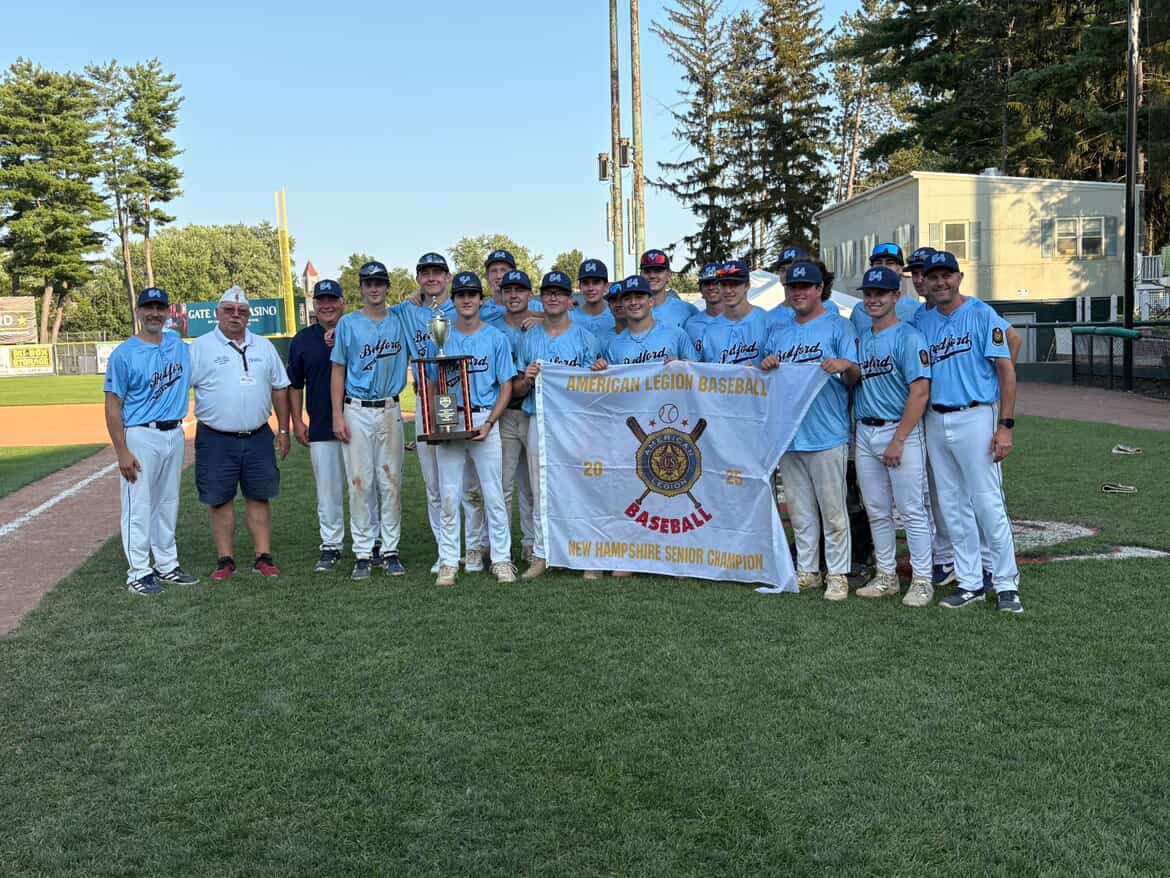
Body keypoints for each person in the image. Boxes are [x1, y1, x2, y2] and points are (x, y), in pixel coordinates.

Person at [916, 251, 1022, 613]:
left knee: (988, 502)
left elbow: (1007, 369)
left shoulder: (980, 314)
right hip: (935, 418)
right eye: (934, 277)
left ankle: (1007, 584)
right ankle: (971, 582)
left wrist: (1004, 426)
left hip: (976, 414)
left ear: (959, 278)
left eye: (947, 276)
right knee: (952, 506)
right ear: (925, 283)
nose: (941, 282)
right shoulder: (923, 322)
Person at [759, 261, 859, 600]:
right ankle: (808, 571)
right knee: (800, 513)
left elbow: (856, 375)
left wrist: (846, 365)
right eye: (793, 288)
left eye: (806, 287)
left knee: (833, 512)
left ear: (820, 290)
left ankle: (839, 574)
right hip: (790, 434)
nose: (798, 293)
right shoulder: (779, 332)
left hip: (827, 431)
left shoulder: (838, 327)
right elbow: (762, 377)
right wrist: (767, 366)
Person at [189, 286, 291, 581]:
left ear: (249, 316)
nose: (236, 316)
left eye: (242, 312)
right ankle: (225, 559)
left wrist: (283, 430)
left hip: (258, 434)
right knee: (220, 499)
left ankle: (263, 556)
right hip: (215, 436)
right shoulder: (200, 347)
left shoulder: (263, 346)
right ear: (217, 313)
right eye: (229, 311)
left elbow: (279, 388)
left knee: (259, 496)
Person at [426, 271, 518, 587]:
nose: (466, 300)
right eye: (460, 295)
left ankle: (502, 559)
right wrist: (439, 423)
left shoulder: (495, 338)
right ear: (453, 301)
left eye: (472, 294)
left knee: (493, 495)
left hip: (483, 419)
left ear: (481, 299)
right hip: (451, 421)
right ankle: (450, 561)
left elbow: (506, 385)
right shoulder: (441, 337)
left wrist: (491, 421)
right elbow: (432, 385)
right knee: (450, 495)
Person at [850, 267, 934, 607]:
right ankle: (886, 575)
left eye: (880, 294)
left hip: (899, 430)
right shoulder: (864, 337)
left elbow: (920, 393)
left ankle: (923, 579)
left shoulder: (908, 336)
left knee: (912, 510)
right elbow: (857, 380)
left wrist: (899, 439)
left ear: (896, 297)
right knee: (877, 510)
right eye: (869, 294)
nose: (873, 300)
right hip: (866, 429)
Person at [104, 286, 196, 595]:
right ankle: (139, 572)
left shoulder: (177, 344)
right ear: (139, 312)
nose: (154, 313)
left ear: (169, 312)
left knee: (167, 503)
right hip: (141, 434)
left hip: (174, 433)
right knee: (138, 505)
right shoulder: (124, 354)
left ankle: (167, 564)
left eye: (160, 307)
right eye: (149, 308)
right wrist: (122, 451)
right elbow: (112, 404)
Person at [512, 271, 601, 580]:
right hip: (539, 417)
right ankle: (542, 553)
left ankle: (588, 554)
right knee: (541, 488)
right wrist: (528, 379)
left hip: (576, 421)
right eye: (547, 292)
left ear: (568, 299)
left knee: (581, 486)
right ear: (542, 297)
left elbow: (596, 389)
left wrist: (599, 370)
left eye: (558, 292)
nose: (552, 297)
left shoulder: (585, 338)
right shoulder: (529, 338)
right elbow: (518, 389)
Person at [330, 260, 411, 581]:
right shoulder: (349, 324)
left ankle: (390, 549)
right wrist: (337, 414)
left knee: (391, 482)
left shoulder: (400, 320)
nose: (374, 288)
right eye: (368, 283)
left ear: (388, 287)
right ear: (361, 288)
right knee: (360, 482)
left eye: (379, 283)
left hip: (390, 408)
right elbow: (338, 369)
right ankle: (363, 552)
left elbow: (421, 300)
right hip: (357, 408)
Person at [289, 278, 363, 572]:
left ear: (343, 302)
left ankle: (370, 541)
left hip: (359, 420)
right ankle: (331, 545)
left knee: (363, 486)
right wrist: (297, 421)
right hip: (320, 423)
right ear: (315, 305)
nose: (327, 305)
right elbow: (294, 384)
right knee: (328, 490)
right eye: (322, 300)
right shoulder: (303, 339)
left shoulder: (358, 330)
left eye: (333, 299)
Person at [494, 269, 537, 562]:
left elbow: (565, 316)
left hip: (533, 411)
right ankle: (500, 546)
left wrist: (543, 317)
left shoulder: (539, 325)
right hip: (503, 413)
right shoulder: (491, 326)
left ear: (529, 295)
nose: (513, 295)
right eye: (508, 290)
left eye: (519, 290)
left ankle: (532, 543)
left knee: (532, 484)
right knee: (502, 484)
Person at [596, 275, 697, 367]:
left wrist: (685, 365)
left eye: (639, 297)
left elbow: (698, 373)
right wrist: (600, 370)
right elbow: (611, 383)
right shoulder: (614, 345)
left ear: (651, 302)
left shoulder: (676, 334)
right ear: (622, 304)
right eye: (627, 298)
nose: (633, 302)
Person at [698, 260, 776, 366]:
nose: (728, 290)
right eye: (724, 285)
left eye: (734, 284)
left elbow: (779, 368)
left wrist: (769, 365)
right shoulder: (710, 329)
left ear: (747, 286)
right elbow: (705, 372)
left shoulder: (767, 321)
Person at [849, 243, 923, 334]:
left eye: (890, 263)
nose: (883, 267)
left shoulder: (916, 310)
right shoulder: (859, 311)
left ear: (900, 269)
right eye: (878, 263)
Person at [639, 249, 698, 328]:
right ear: (640, 275)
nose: (652, 276)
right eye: (647, 271)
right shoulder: (629, 311)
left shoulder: (688, 311)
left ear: (669, 276)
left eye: (658, 271)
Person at [570, 259, 616, 339]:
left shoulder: (617, 316)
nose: (590, 288)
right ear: (580, 287)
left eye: (596, 282)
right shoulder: (570, 317)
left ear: (606, 286)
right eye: (585, 283)